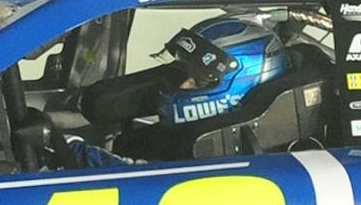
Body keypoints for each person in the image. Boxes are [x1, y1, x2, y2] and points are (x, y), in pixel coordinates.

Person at [66, 18, 290, 167]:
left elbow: (141, 182)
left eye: (198, 80)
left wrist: (69, 147)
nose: (183, 85)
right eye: (183, 73)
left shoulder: (227, 158)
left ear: (241, 84)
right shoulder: (188, 137)